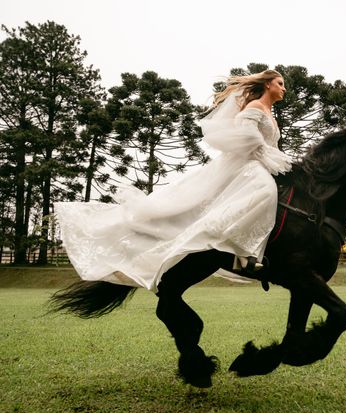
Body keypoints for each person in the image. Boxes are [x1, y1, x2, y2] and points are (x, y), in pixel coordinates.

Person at [55, 69, 294, 292]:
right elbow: (247, 140)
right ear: (267, 84)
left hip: (265, 162)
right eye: (280, 84)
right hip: (248, 164)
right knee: (264, 191)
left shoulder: (270, 114)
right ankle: (243, 253)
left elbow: (269, 145)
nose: (284, 89)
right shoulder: (254, 106)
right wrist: (276, 160)